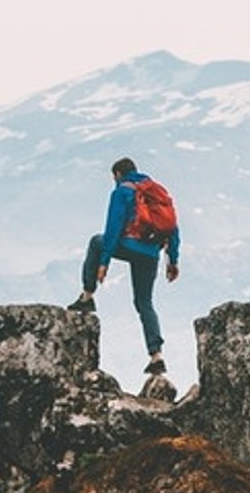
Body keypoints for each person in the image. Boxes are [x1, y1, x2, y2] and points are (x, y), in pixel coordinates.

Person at [68, 157, 181, 375]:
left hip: (130, 246)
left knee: (95, 242)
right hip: (150, 254)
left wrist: (104, 261)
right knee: (144, 302)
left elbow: (114, 226)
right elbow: (173, 227)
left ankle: (87, 296)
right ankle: (156, 356)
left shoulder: (122, 191)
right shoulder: (157, 192)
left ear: (118, 174)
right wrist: (173, 260)